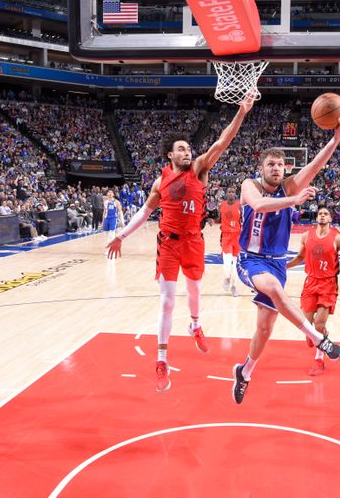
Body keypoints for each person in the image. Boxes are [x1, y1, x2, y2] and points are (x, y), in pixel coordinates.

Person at [107, 99, 254, 392]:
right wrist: (120, 236)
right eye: (182, 149)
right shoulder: (159, 182)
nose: (188, 152)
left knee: (195, 289)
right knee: (168, 301)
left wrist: (241, 111)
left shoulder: (199, 169)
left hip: (194, 242)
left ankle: (195, 325)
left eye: (189, 148)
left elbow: (222, 142)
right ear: (170, 154)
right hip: (169, 245)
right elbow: (144, 213)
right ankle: (161, 361)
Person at [232, 109, 340, 405]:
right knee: (272, 288)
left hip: (276, 263)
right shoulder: (251, 185)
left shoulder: (289, 186)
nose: (276, 168)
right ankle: (320, 339)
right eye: (270, 164)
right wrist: (294, 201)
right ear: (261, 168)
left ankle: (245, 372)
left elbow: (314, 166)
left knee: (264, 328)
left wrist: (336, 138)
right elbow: (258, 206)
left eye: (280, 164)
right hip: (250, 260)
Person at [286, 206, 340, 376]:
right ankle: (318, 339)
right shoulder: (306, 236)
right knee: (305, 325)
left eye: (326, 214)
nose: (323, 216)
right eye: (320, 214)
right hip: (310, 283)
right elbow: (300, 258)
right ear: (316, 217)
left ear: (330, 219)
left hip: (328, 284)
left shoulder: (337, 238)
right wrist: (284, 266)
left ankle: (319, 360)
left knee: (319, 325)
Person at [219, 186, 241, 296]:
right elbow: (220, 220)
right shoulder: (221, 205)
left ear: (235, 193)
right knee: (227, 263)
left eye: (233, 191)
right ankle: (227, 278)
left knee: (235, 264)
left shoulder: (240, 206)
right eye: (229, 191)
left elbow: (243, 221)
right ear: (226, 193)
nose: (231, 193)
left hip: (237, 237)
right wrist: (213, 220)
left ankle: (234, 286)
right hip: (226, 237)